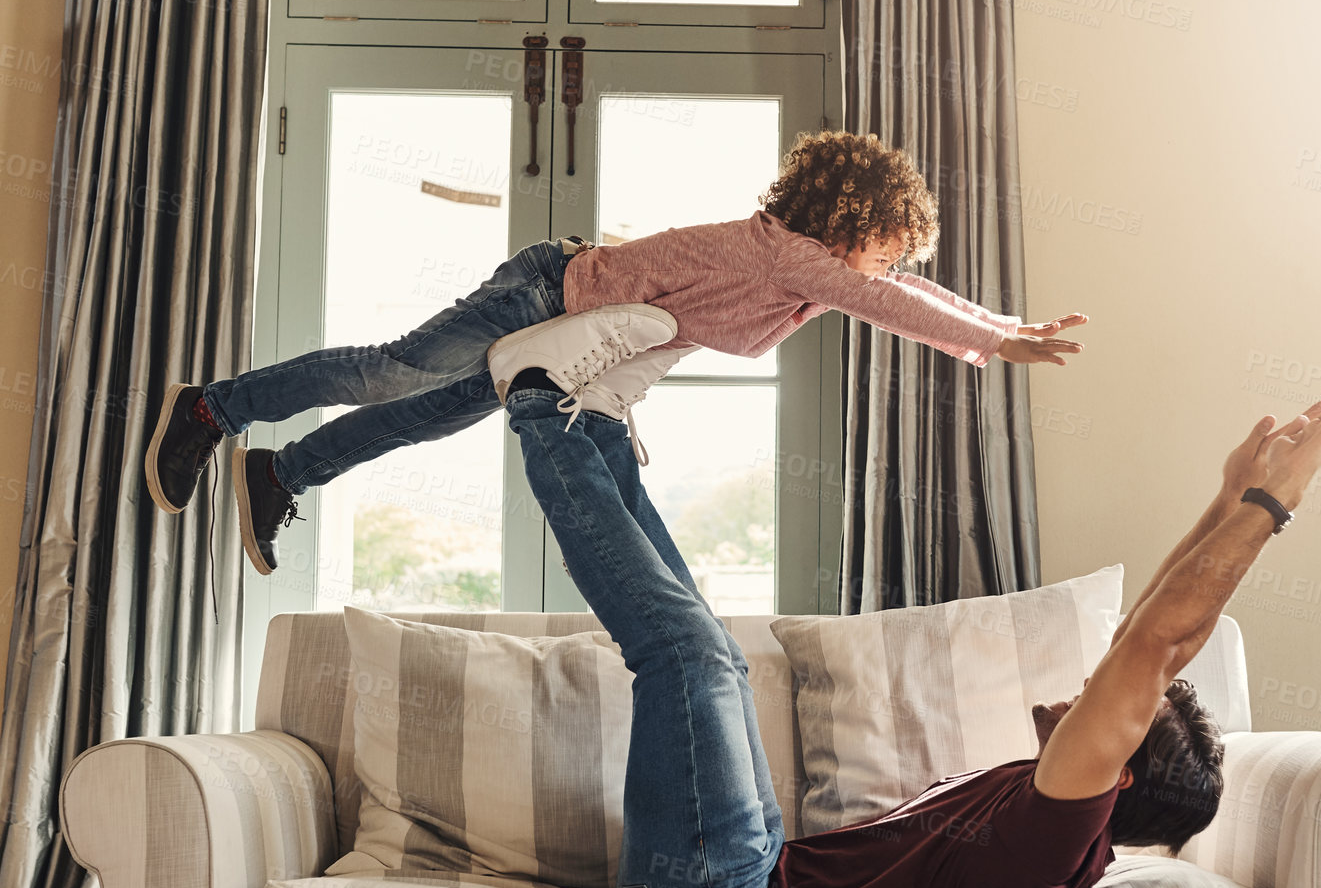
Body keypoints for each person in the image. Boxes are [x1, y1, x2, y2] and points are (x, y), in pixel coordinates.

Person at [493, 310, 1321, 888]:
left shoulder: (1055, 834)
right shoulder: (1059, 803)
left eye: (1107, 707)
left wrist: (1272, 503)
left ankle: (538, 405)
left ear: (1119, 766)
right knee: (713, 650)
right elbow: (1142, 634)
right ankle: (595, 421)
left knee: (681, 655)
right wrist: (1227, 495)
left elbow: (1151, 649)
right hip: (751, 866)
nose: (1083, 688)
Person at [143, 130, 1089, 575]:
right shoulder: (799, 259)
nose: (892, 261)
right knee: (396, 370)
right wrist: (999, 344)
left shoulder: (805, 278)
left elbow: (904, 291)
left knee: (425, 418)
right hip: (545, 289)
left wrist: (1004, 326)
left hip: (561, 332)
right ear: (857, 223)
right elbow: (890, 301)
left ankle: (282, 470)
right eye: (889, 242)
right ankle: (210, 411)